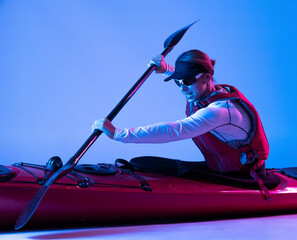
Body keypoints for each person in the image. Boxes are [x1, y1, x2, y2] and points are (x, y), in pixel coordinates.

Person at [92, 50, 269, 176]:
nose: (183, 87)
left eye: (188, 80)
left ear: (207, 77)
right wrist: (164, 68)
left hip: (240, 173)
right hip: (218, 167)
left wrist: (118, 134)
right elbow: (181, 77)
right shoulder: (201, 90)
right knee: (142, 161)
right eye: (178, 81)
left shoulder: (220, 111)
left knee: (143, 162)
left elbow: (174, 130)